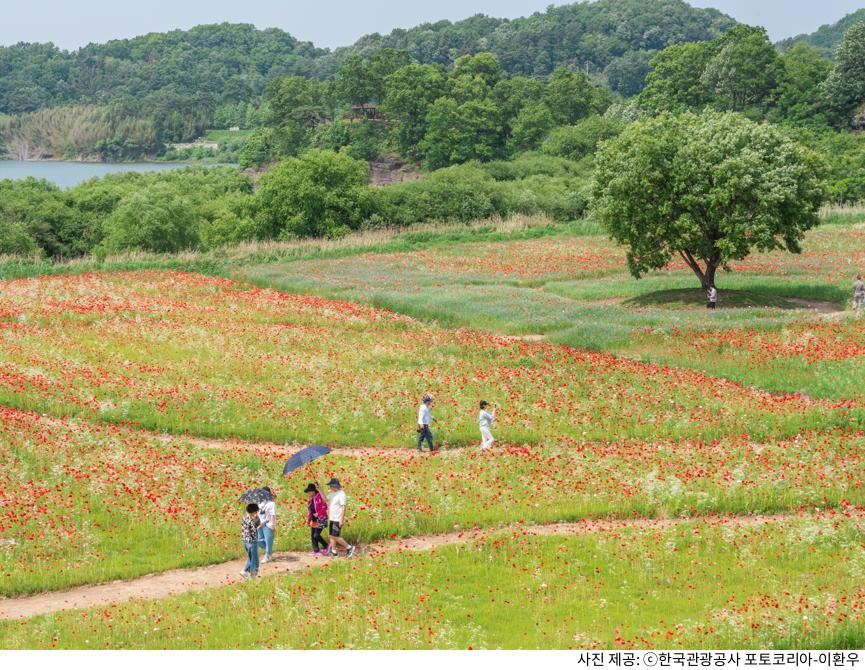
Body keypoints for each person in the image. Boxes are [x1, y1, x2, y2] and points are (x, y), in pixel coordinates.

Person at [326, 478, 355, 558]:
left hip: (337, 518)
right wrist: (319, 489)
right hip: (332, 517)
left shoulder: (341, 494)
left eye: (331, 486)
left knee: (335, 536)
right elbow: (325, 499)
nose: (330, 487)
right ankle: (334, 551)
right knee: (331, 535)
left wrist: (341, 519)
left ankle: (349, 547)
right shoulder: (332, 493)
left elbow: (343, 507)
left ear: (335, 486)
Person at [305, 483, 329, 555]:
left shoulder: (319, 496)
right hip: (314, 519)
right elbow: (310, 511)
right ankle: (316, 551)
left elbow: (325, 507)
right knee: (313, 535)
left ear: (313, 491)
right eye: (308, 492)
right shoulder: (310, 500)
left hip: (321, 518)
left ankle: (327, 546)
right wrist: (308, 520)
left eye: (309, 491)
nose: (308, 493)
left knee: (316, 535)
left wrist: (318, 514)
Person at [240, 503, 261, 579]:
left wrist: (255, 520)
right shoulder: (250, 520)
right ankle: (251, 575)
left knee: (251, 557)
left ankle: (246, 571)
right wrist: (258, 522)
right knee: (254, 559)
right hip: (252, 541)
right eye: (256, 512)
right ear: (253, 512)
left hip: (245, 540)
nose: (256, 513)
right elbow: (254, 531)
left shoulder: (245, 517)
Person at [257, 487, 277, 564]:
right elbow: (258, 513)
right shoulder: (260, 503)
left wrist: (272, 525)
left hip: (268, 524)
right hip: (260, 524)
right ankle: (269, 551)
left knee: (268, 541)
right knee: (259, 540)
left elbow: (273, 514)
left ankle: (267, 556)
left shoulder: (271, 503)